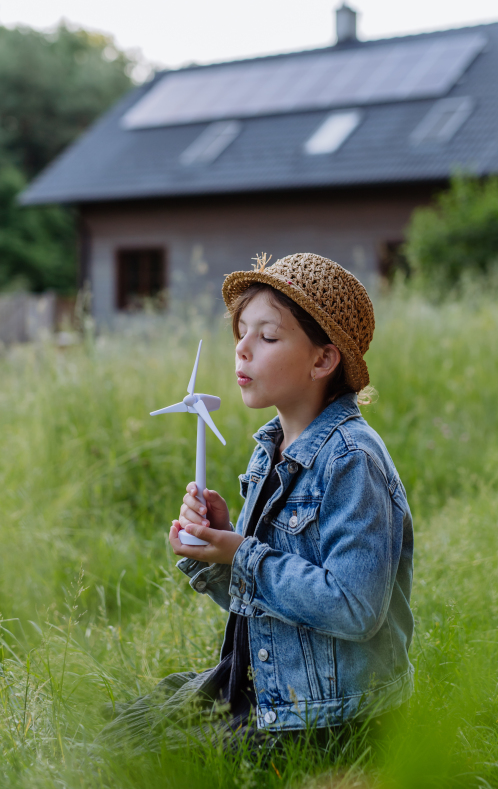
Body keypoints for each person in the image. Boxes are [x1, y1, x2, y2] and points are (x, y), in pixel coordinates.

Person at [98, 252, 413, 752]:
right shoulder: (271, 450)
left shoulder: (353, 460)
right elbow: (265, 601)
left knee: (143, 762)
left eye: (266, 337)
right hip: (274, 687)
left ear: (322, 360)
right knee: (125, 725)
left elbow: (355, 608)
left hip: (332, 714)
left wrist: (241, 551)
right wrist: (215, 554)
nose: (242, 349)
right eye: (241, 333)